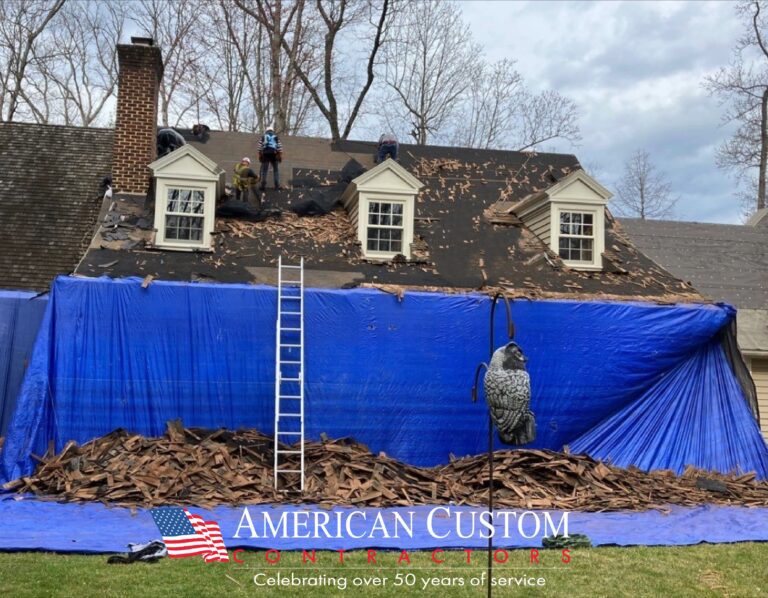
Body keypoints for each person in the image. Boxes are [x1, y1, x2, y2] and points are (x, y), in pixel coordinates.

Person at [258, 125, 283, 190]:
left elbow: (259, 147)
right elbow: (280, 147)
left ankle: (263, 186)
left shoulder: (263, 137)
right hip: (274, 154)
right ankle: (277, 186)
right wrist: (280, 156)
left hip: (265, 154)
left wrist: (260, 156)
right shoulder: (276, 137)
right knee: (276, 171)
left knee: (264, 170)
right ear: (272, 131)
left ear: (266, 131)